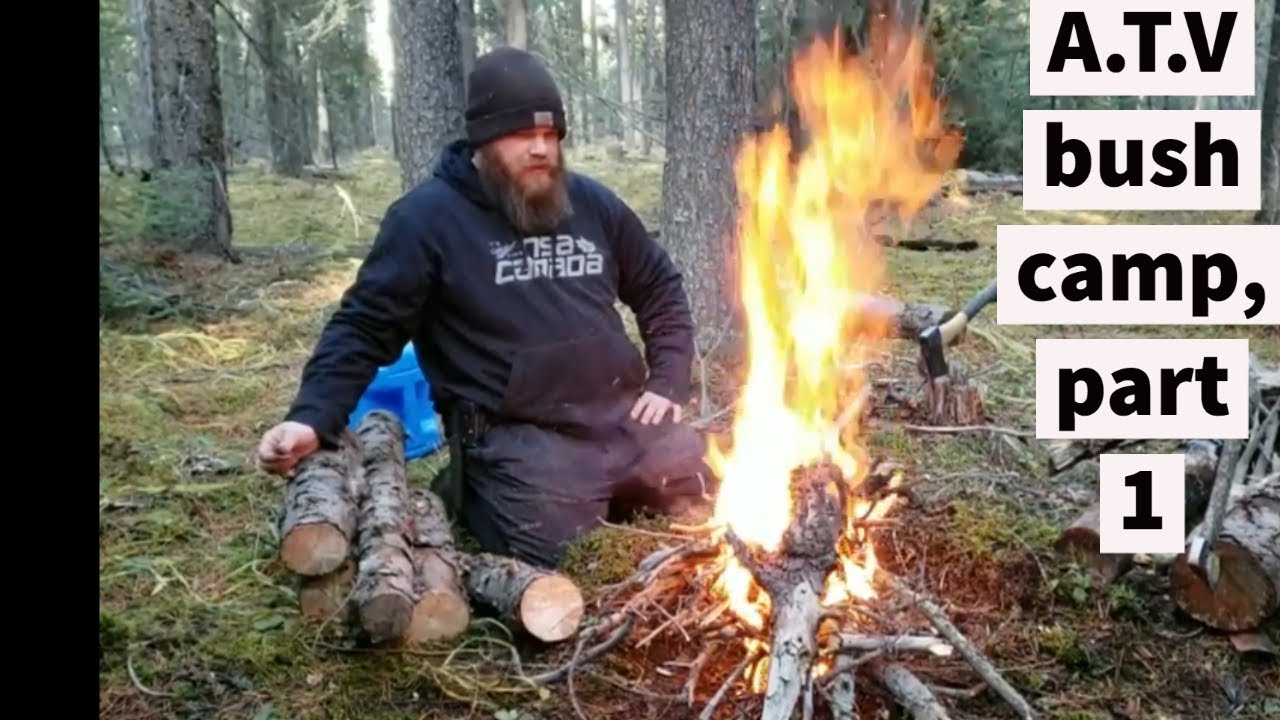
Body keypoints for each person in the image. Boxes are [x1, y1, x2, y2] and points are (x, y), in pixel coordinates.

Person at [255, 46, 714, 569]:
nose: (542, 149)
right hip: (519, 438)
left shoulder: (592, 203)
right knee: (571, 559)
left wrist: (668, 380)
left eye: (551, 136)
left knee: (711, 495)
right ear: (484, 139)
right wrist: (312, 417)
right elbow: (363, 328)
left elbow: (660, 287)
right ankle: (472, 494)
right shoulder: (426, 220)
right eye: (523, 136)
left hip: (619, 421)